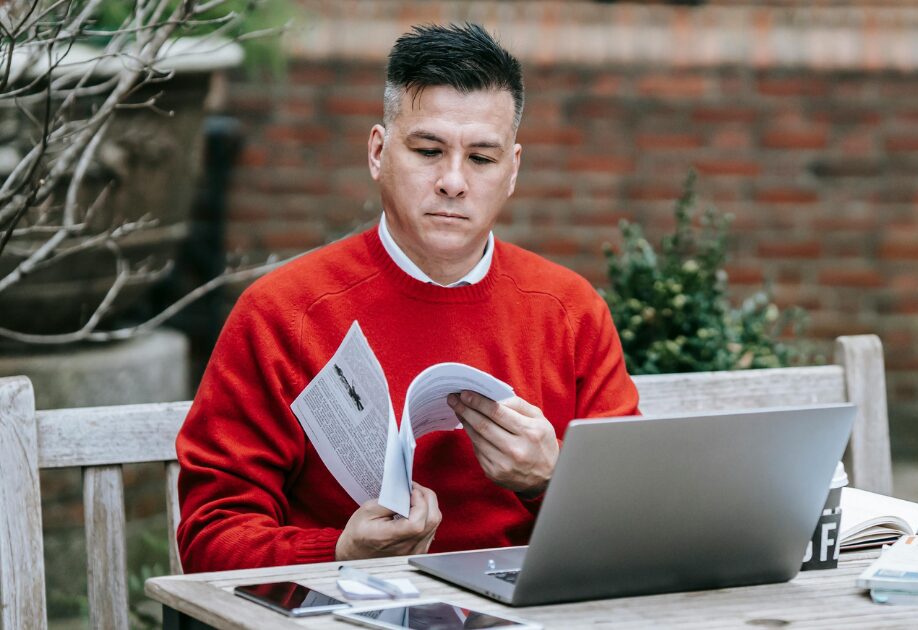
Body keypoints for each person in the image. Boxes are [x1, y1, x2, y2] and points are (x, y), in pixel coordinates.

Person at [176, 23, 639, 572]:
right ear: (378, 152)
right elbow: (210, 536)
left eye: (481, 160)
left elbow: (633, 528)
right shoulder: (284, 312)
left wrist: (550, 480)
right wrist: (339, 554)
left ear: (512, 170)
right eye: (428, 150)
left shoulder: (569, 310)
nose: (452, 181)